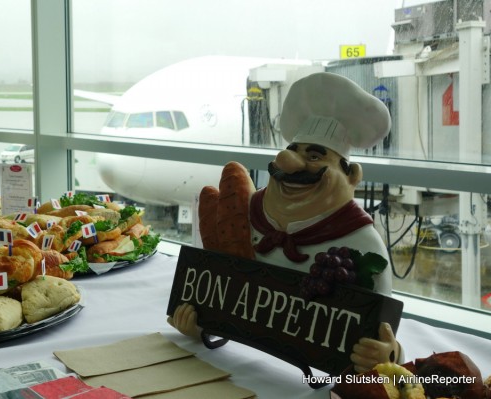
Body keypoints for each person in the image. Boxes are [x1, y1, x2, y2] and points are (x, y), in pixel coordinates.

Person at [168, 72, 403, 373]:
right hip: (233, 369)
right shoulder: (244, 215)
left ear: (351, 176)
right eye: (292, 151)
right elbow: (218, 291)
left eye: (316, 156)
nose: (292, 164)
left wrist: (387, 353)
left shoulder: (361, 244)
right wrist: (199, 323)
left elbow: (382, 332)